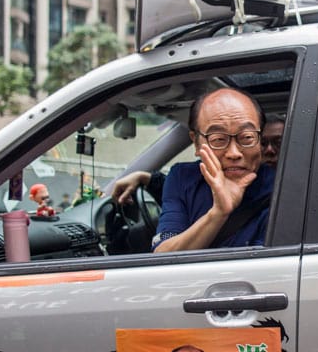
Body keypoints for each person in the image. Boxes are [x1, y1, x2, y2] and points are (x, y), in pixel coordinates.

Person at [151, 88, 274, 252]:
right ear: (196, 143)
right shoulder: (182, 177)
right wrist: (218, 212)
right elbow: (162, 253)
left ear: (260, 141)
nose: (234, 153)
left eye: (247, 137)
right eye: (218, 139)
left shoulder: (281, 186)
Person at [112, 118, 284, 206]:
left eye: (278, 142)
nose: (269, 150)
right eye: (262, 143)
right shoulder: (237, 179)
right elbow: (187, 193)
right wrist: (143, 177)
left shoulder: (297, 188)